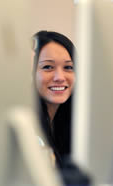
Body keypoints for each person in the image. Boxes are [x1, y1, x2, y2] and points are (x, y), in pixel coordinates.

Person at [32, 31, 75, 168]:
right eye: (48, 67)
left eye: (68, 67)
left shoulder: (72, 121)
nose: (60, 77)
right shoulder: (29, 128)